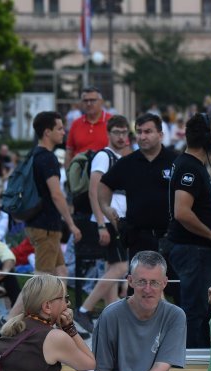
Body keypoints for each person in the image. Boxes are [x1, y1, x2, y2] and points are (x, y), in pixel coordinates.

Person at [0, 112, 83, 334]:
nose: (64, 132)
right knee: (41, 280)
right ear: (47, 132)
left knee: (61, 272)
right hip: (46, 227)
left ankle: (60, 321)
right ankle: (8, 323)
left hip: (42, 225)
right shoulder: (48, 158)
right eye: (60, 128)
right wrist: (71, 224)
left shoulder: (35, 155)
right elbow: (56, 194)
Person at [168, 113, 211, 348]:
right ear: (208, 139)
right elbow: (182, 211)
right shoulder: (190, 167)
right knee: (196, 311)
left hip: (197, 250)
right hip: (194, 250)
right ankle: (192, 365)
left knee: (198, 309)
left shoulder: (191, 164)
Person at [75, 114, 132, 333]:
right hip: (107, 220)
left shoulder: (119, 157)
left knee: (112, 269)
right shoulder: (104, 157)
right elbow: (93, 191)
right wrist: (100, 223)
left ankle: (110, 319)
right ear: (108, 134)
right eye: (116, 132)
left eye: (124, 132)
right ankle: (85, 309)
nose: (121, 136)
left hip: (114, 219)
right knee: (120, 266)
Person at [98, 113, 177, 261]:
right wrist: (106, 208)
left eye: (148, 132)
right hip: (138, 238)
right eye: (139, 132)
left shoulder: (175, 160)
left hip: (170, 237)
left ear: (160, 134)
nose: (142, 136)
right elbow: (104, 184)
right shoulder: (128, 163)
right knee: (139, 282)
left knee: (171, 283)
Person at [65, 86, 111, 165]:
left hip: (107, 172)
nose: (89, 104)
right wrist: (69, 175)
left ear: (101, 102)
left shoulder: (112, 121)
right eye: (85, 101)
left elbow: (123, 149)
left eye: (92, 100)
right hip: (80, 173)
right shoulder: (76, 123)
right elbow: (69, 152)